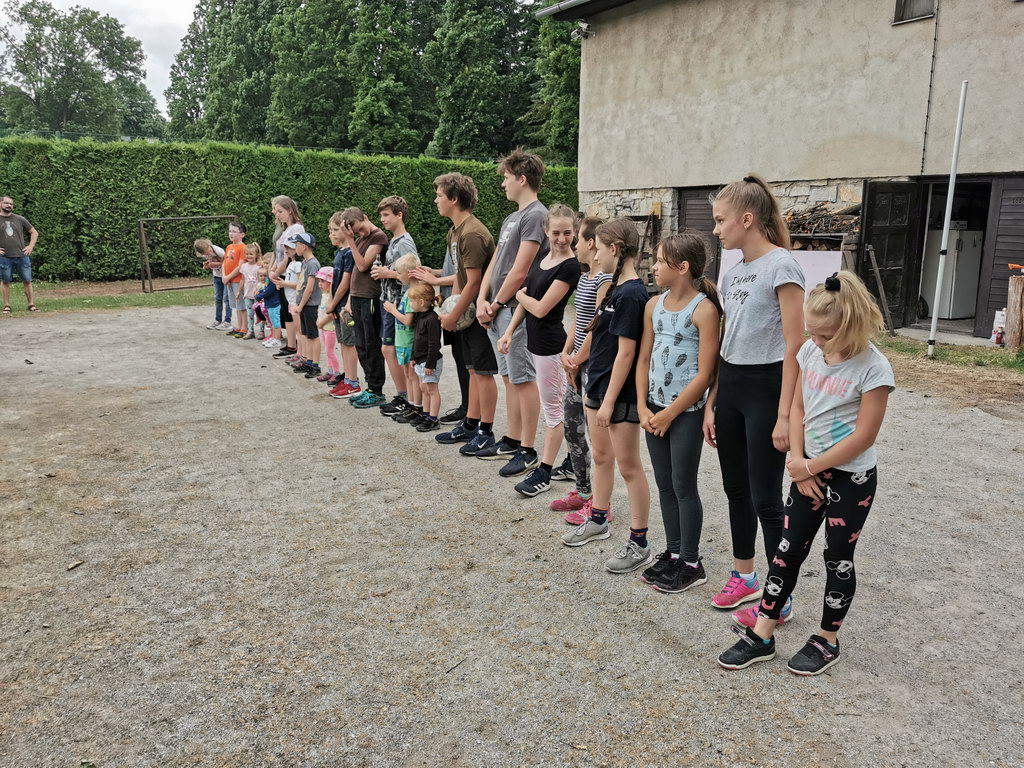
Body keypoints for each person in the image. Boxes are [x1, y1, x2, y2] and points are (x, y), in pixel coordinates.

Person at [717, 270, 894, 675]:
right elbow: (798, 407)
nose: (816, 341)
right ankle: (762, 633)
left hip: (851, 479)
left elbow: (864, 436)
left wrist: (811, 466)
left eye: (825, 335)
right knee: (787, 551)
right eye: (812, 333)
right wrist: (798, 465)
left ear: (852, 326)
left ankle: (827, 639)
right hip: (806, 472)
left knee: (837, 557)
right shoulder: (810, 354)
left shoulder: (874, 368)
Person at [704, 175, 806, 619]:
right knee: (736, 489)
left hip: (767, 388)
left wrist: (785, 415)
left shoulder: (782, 266)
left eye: (720, 220)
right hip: (731, 386)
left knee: (767, 497)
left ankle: (779, 598)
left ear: (747, 219)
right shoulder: (733, 272)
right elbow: (728, 340)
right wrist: (713, 402)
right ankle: (745, 576)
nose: (715, 230)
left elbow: (796, 345)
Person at [560, 218, 653, 575]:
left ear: (614, 249)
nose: (595, 256)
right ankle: (598, 519)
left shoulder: (632, 294)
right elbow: (597, 335)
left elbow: (627, 353)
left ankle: (639, 542)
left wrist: (611, 401)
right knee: (601, 456)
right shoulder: (614, 287)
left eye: (598, 249)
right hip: (597, 385)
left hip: (618, 394)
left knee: (629, 466)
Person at [635, 234, 722, 594]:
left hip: (684, 414)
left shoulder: (704, 311)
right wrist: (642, 407)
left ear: (682, 267)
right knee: (664, 483)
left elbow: (705, 374)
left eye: (660, 260)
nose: (654, 267)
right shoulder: (653, 305)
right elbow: (643, 358)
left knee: (683, 486)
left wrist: (671, 413)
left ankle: (691, 562)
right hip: (654, 411)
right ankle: (673, 554)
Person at [496, 203, 580, 497]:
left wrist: (520, 295)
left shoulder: (570, 266)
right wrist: (508, 332)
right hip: (536, 344)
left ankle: (543, 471)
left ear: (575, 232)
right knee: (561, 408)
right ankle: (572, 462)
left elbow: (541, 308)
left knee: (554, 412)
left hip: (551, 347)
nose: (562, 238)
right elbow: (527, 301)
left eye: (567, 233)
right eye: (556, 232)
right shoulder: (543, 258)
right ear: (546, 231)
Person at [474, 150, 549, 473]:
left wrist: (495, 304)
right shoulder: (512, 218)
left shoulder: (536, 216)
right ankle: (512, 439)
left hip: (512, 310)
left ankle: (528, 450)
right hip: (496, 308)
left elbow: (521, 270)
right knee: (509, 378)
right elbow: (495, 262)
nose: (503, 183)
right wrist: (481, 298)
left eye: (506, 177)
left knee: (523, 379)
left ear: (522, 178)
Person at [551, 216, 613, 524]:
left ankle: (603, 502)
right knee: (572, 427)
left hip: (592, 366)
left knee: (597, 439)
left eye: (578, 240)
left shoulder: (605, 280)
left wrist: (577, 359)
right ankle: (584, 490)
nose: (573, 245)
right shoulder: (585, 278)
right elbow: (578, 319)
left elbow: (597, 325)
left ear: (591, 243)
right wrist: (566, 352)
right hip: (576, 362)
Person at [431, 173, 499, 452]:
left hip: (481, 314)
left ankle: (486, 430)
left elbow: (474, 283)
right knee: (472, 370)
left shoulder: (472, 233)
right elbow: (460, 278)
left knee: (483, 372)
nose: (436, 200)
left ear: (454, 199)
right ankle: (471, 423)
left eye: (439, 195)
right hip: (467, 313)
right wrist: (451, 307)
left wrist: (451, 316)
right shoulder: (455, 231)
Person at [372, 196, 418, 417]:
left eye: (386, 215)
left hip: (399, 303)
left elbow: (413, 274)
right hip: (389, 301)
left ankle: (405, 397)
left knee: (392, 350)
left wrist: (387, 273)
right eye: (381, 215)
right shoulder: (394, 241)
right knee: (389, 349)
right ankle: (404, 395)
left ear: (399, 215)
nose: (382, 219)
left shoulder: (405, 242)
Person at [339, 207, 389, 408]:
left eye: (360, 229)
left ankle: (377, 390)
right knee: (361, 345)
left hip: (370, 297)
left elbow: (362, 265)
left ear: (366, 217)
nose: (360, 233)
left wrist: (350, 241)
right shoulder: (360, 240)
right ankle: (370, 387)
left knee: (371, 344)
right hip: (358, 298)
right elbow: (354, 272)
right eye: (355, 232)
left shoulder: (378, 237)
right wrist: (349, 301)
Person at [382, 253, 424, 425]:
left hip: (408, 342)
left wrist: (392, 310)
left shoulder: (413, 294)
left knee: (413, 375)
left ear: (409, 273)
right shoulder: (408, 293)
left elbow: (408, 320)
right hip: (403, 341)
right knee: (408, 374)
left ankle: (417, 407)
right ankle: (411, 404)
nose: (397, 276)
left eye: (399, 273)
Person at [325, 212, 361, 399]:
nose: (331, 234)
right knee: (343, 343)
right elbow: (334, 281)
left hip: (345, 307)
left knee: (349, 343)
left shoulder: (349, 254)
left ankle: (353, 382)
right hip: (336, 305)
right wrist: (331, 303)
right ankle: (347, 379)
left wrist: (333, 304)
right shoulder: (339, 252)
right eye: (330, 230)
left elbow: (346, 282)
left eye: (335, 230)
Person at [269, 196, 305, 351]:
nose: (276, 214)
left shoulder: (296, 228)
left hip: (289, 273)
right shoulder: (284, 228)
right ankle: (291, 344)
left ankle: (295, 346)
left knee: (291, 310)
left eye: (280, 211)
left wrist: (275, 273)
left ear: (290, 210)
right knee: (285, 310)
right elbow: (277, 253)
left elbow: (289, 255)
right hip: (280, 273)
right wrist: (271, 270)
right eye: (275, 210)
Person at [409, 282, 444, 432]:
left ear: (421, 302)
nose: (410, 304)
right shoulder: (420, 316)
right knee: (423, 388)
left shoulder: (432, 319)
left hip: (430, 361)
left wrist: (430, 364)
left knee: (432, 390)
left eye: (412, 301)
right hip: (420, 360)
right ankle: (426, 414)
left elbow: (434, 344)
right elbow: (416, 338)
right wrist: (413, 357)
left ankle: (433, 419)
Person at [288, 232, 323, 379]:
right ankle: (308, 361)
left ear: (304, 246)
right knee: (307, 335)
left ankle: (315, 365)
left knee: (313, 335)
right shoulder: (305, 262)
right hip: (304, 305)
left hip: (310, 305)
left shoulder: (313, 263)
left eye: (296, 245)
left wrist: (301, 306)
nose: (295, 248)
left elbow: (309, 288)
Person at [0, 196, 39, 315]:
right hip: (4, 257)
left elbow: (34, 232)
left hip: (22, 256)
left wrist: (30, 246)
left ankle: (31, 304)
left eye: (11, 204)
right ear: (0, 204)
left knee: (27, 280)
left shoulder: (20, 219)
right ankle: (7, 306)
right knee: (5, 281)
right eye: (6, 203)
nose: (9, 205)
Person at [220, 221, 249, 337]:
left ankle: (244, 328)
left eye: (234, 231)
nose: (231, 234)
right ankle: (238, 326)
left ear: (242, 234)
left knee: (241, 305)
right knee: (236, 305)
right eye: (229, 231)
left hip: (238, 280)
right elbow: (224, 263)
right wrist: (224, 276)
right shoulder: (229, 247)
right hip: (229, 281)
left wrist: (228, 276)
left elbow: (240, 266)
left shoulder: (243, 248)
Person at [194, 238, 230, 330]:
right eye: (206, 254)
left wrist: (212, 264)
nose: (209, 253)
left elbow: (226, 262)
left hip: (225, 276)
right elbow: (212, 262)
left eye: (209, 251)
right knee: (218, 298)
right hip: (217, 276)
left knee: (226, 299)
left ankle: (227, 321)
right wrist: (207, 264)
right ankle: (218, 320)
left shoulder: (219, 251)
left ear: (209, 246)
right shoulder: (202, 254)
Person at [314, 266, 342, 382]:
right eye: (319, 281)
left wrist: (321, 322)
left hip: (330, 328)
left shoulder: (331, 297)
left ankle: (336, 372)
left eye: (323, 281)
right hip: (323, 328)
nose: (320, 284)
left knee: (330, 351)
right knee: (327, 351)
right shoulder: (324, 295)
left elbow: (331, 315)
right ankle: (330, 371)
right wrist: (319, 322)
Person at [256, 256, 283, 347]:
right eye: (265, 263)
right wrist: (260, 292)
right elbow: (265, 288)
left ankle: (277, 339)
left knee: (276, 322)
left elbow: (270, 290)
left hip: (274, 303)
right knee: (272, 321)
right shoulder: (268, 277)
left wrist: (260, 296)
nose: (266, 265)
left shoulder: (272, 277)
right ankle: (274, 337)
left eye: (268, 263)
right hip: (270, 303)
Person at [239, 242, 263, 339]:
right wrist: (238, 291)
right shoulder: (244, 266)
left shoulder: (259, 266)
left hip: (258, 295)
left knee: (259, 313)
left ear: (256, 255)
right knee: (250, 314)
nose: (248, 256)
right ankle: (250, 331)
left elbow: (263, 280)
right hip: (247, 294)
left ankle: (261, 331)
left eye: (251, 254)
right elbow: (242, 279)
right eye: (247, 254)